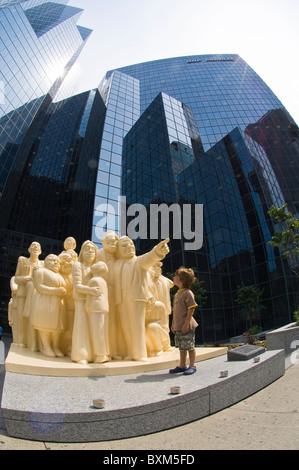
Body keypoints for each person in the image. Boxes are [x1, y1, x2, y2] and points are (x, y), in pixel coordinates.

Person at [169, 267, 198, 375]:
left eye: (176, 276)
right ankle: (182, 365)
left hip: (187, 326)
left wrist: (186, 324)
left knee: (189, 346)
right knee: (182, 347)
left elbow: (191, 308)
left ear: (181, 280)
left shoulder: (187, 293)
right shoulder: (177, 294)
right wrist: (173, 324)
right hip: (178, 326)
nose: (174, 277)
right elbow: (175, 311)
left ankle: (192, 365)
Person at [86, 262, 110, 363]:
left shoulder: (93, 281)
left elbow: (89, 295)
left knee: (97, 331)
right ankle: (105, 353)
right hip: (104, 307)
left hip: (95, 307)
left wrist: (87, 307)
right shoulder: (103, 281)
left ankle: (100, 355)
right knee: (103, 331)